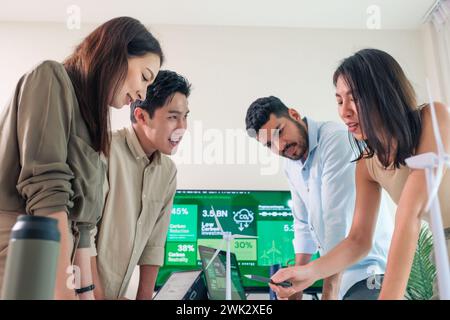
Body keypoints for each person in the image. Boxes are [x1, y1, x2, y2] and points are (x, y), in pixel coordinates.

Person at [0, 17, 163, 299]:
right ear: (116, 52)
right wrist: (65, 292)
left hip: (54, 267)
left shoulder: (93, 126)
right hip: (20, 259)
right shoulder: (50, 78)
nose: (141, 94)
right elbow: (48, 197)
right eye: (145, 77)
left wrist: (85, 295)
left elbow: (83, 229)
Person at [270, 48, 450, 300]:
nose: (345, 112)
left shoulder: (433, 117)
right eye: (339, 100)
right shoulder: (367, 164)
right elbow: (358, 240)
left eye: (354, 98)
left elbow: (410, 212)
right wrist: (309, 272)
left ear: (384, 94)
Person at [245, 96, 393, 299]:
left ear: (294, 115)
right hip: (333, 275)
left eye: (280, 132)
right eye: (270, 144)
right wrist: (295, 291)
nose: (279, 147)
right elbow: (303, 227)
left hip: (369, 273)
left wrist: (328, 292)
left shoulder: (335, 140)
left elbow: (336, 224)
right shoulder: (291, 164)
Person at [91, 70, 191, 300]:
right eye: (173, 117)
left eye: (185, 116)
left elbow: (155, 243)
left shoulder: (167, 172)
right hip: (79, 291)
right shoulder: (104, 151)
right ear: (142, 116)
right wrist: (98, 297)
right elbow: (84, 234)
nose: (182, 127)